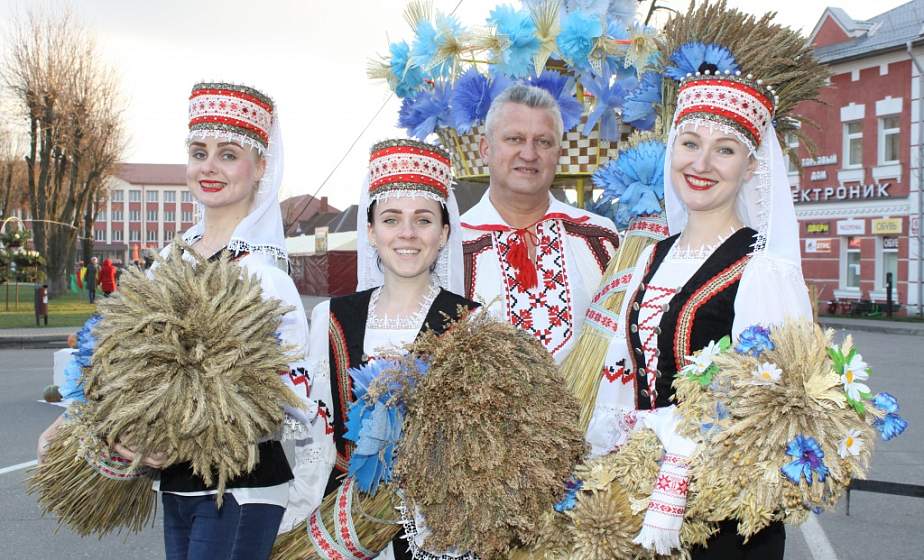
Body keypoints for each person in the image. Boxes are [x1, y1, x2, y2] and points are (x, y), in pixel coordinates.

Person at [37, 81, 315, 560]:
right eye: (199, 151)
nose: (209, 166)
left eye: (229, 154)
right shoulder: (170, 258)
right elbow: (119, 359)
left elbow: (284, 401)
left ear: (261, 168)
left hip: (240, 489)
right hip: (177, 485)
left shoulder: (266, 276)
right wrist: (73, 418)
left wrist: (181, 438)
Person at [586, 67, 812, 560]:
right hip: (641, 502)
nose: (702, 163)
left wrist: (686, 457)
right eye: (690, 143)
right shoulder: (651, 255)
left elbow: (778, 407)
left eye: (725, 149)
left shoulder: (763, 268)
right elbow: (626, 377)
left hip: (724, 521)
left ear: (751, 166)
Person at [284, 138, 479, 560]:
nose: (407, 234)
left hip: (440, 535)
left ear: (444, 232)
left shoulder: (472, 322)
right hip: (346, 525)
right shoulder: (332, 318)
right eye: (391, 220)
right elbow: (313, 434)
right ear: (370, 231)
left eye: (423, 220)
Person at [461, 84, 619, 364]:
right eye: (514, 139)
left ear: (558, 153)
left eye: (543, 142)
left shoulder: (599, 238)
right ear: (486, 149)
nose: (529, 154)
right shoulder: (454, 245)